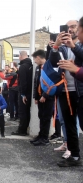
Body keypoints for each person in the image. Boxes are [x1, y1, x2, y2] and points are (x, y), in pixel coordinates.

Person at [49, 19, 83, 167]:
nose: (70, 30)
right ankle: (74, 155)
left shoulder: (79, 46)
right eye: (68, 27)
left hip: (80, 91)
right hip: (65, 91)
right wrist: (56, 45)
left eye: (74, 27)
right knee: (68, 125)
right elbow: (52, 61)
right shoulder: (62, 48)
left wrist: (74, 46)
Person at [30, 50, 54, 146]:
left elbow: (51, 82)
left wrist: (45, 95)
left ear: (38, 57)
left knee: (46, 117)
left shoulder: (49, 67)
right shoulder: (38, 68)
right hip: (40, 97)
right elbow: (36, 83)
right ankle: (41, 135)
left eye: (35, 59)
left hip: (47, 96)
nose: (35, 61)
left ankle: (45, 138)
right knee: (41, 116)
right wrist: (36, 96)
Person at [11, 51, 33, 136]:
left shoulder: (23, 67)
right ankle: (24, 129)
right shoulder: (30, 65)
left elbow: (23, 81)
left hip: (24, 93)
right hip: (29, 92)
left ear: (20, 56)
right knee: (26, 112)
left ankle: (22, 130)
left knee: (23, 111)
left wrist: (23, 94)